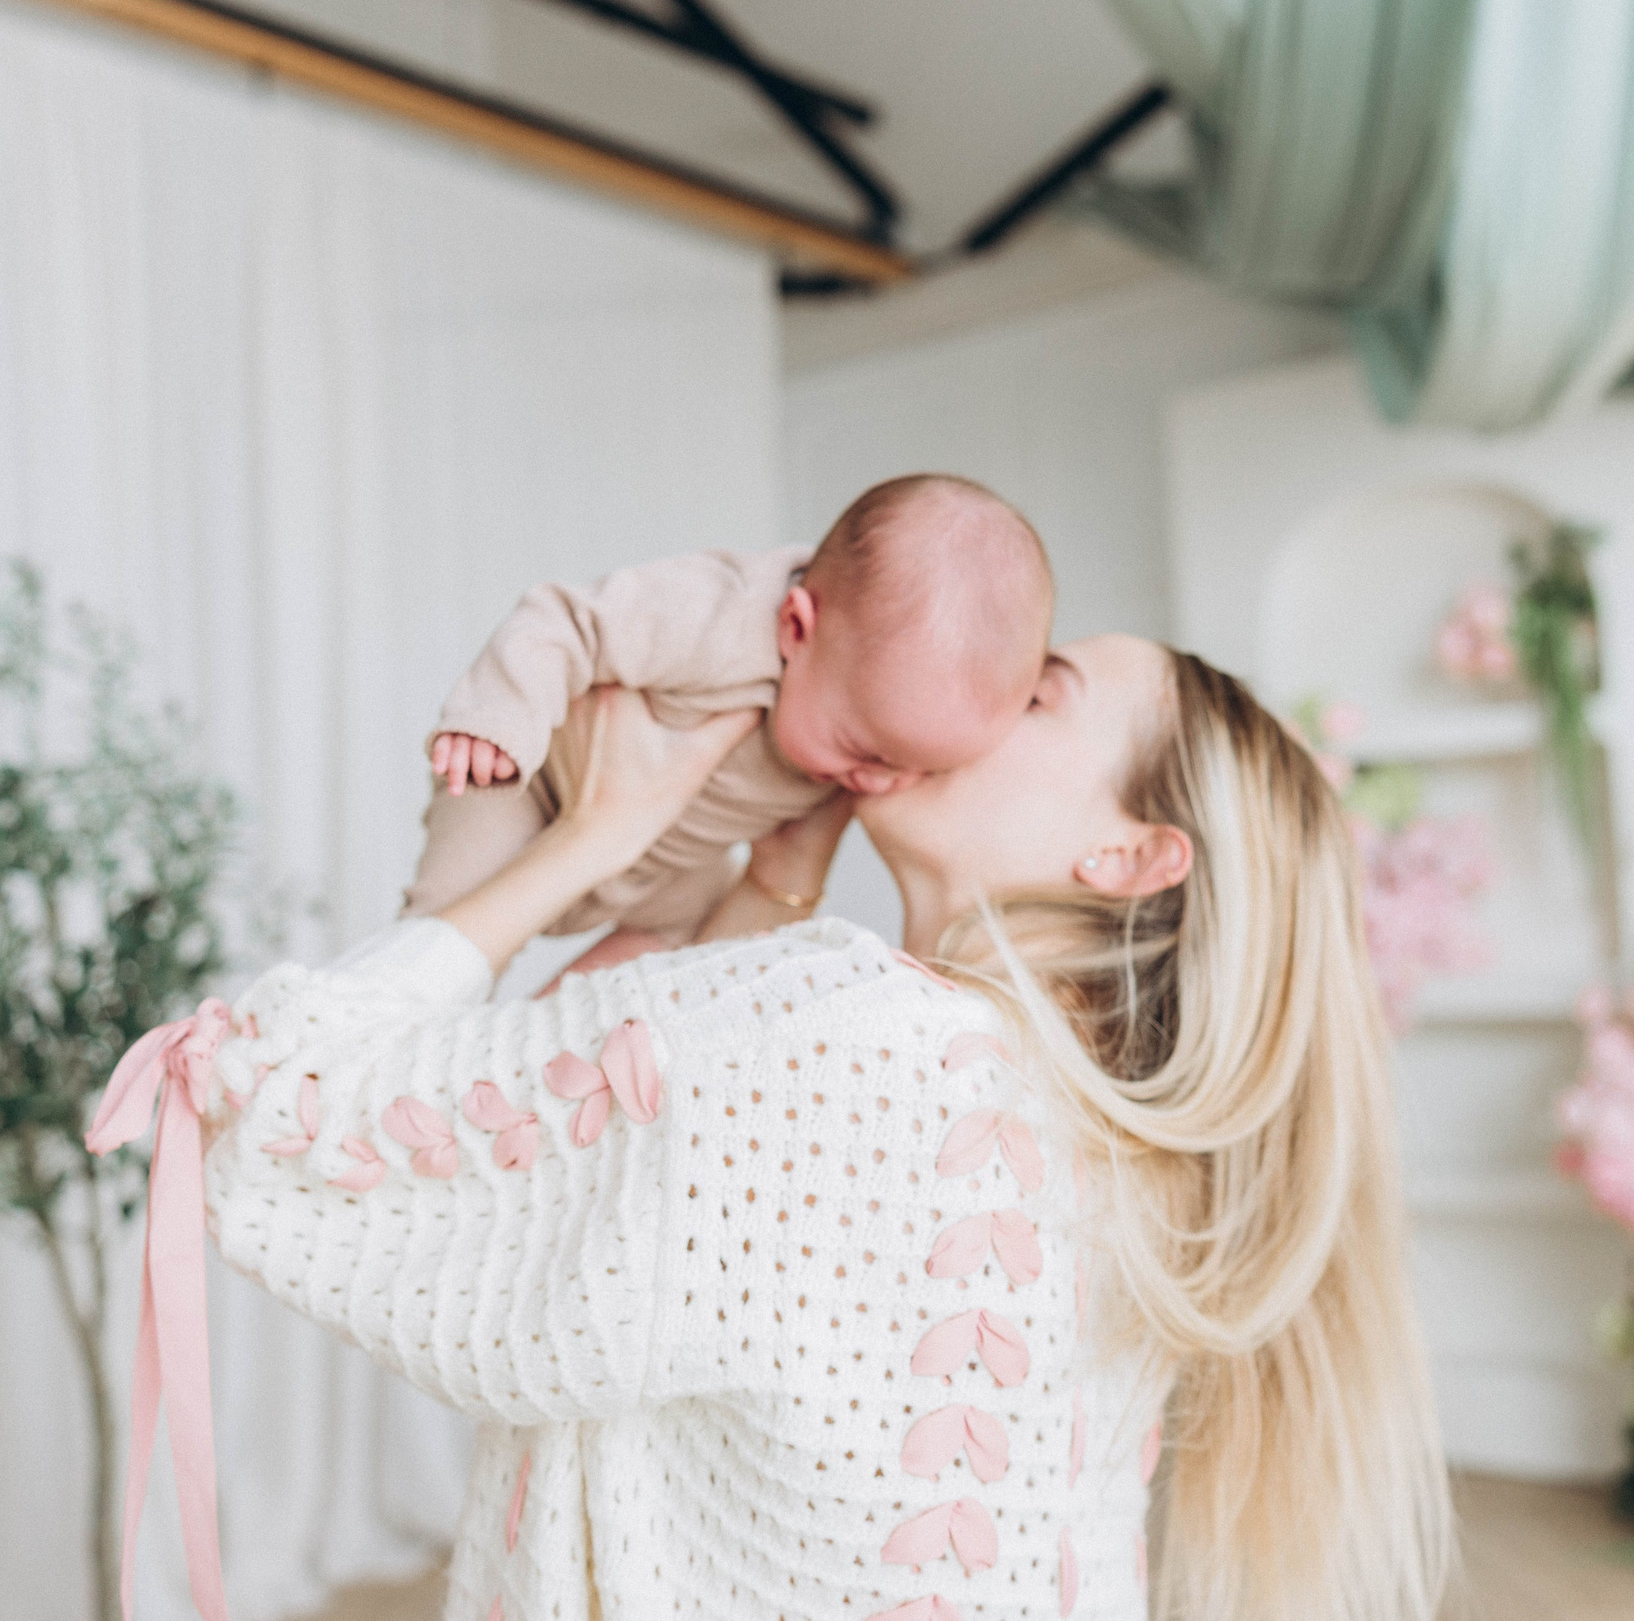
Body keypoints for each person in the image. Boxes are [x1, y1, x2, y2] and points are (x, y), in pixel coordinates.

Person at [192, 636, 1452, 1621]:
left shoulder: (855, 1039)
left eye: (1039, 684)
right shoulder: (1109, 1135)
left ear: (1131, 857)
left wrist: (595, 837)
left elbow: (279, 1105)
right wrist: (777, 880)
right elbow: (667, 1194)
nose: (976, 677)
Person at [407, 473, 1053, 975]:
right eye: (866, 751)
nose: (880, 782)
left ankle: (551, 1033)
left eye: (922, 770)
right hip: (534, 792)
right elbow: (568, 619)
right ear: (796, 626)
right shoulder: (717, 616)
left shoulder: (873, 703)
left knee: (678, 949)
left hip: (671, 867)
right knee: (441, 941)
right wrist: (498, 719)